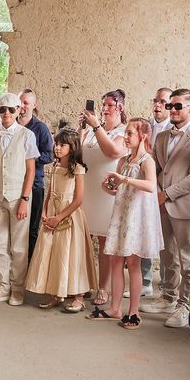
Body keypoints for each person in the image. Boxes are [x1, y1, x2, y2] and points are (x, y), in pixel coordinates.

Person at [87, 118, 163, 329]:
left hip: (136, 218)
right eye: (126, 133)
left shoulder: (146, 161)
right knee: (115, 261)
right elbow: (119, 189)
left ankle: (134, 312)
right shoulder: (124, 161)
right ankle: (115, 307)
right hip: (121, 214)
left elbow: (150, 185)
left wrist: (124, 180)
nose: (126, 137)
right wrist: (109, 188)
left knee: (133, 263)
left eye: (130, 133)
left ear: (143, 136)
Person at [141, 88, 190, 329]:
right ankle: (168, 296)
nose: (172, 110)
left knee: (189, 258)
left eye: (177, 106)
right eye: (171, 106)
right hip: (161, 204)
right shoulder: (161, 137)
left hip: (184, 205)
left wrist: (166, 194)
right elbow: (156, 169)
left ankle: (186, 305)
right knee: (166, 254)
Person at [26, 129, 96, 312]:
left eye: (62, 145)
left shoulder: (78, 169)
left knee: (71, 254)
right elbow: (49, 193)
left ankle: (78, 296)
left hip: (69, 215)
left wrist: (59, 217)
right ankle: (56, 293)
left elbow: (78, 199)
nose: (57, 148)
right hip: (52, 213)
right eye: (56, 144)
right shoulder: (55, 167)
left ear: (72, 148)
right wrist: (44, 212)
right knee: (54, 254)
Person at [0, 93, 40, 306]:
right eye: (2, 109)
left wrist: (24, 198)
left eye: (11, 109)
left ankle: (17, 288)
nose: (6, 113)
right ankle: (2, 287)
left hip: (19, 197)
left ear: (18, 110)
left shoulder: (26, 135)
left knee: (19, 246)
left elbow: (31, 170)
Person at [79, 89, 127, 306]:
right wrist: (83, 129)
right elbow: (80, 154)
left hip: (106, 195)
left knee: (104, 241)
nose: (105, 109)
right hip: (87, 191)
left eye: (109, 105)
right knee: (82, 240)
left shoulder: (123, 132)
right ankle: (81, 284)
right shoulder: (90, 131)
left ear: (120, 108)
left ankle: (103, 288)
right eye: (103, 105)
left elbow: (113, 152)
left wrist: (96, 126)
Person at [129, 87, 172, 299]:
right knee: (142, 235)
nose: (158, 105)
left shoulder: (174, 130)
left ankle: (166, 286)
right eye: (155, 100)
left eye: (163, 102)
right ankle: (145, 282)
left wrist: (164, 192)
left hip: (164, 191)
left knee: (166, 242)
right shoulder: (145, 126)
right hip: (144, 189)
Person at [18, 89, 54, 261]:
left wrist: (29, 160)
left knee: (32, 228)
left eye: (26, 103)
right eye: (20, 102)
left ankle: (30, 265)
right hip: (14, 183)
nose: (22, 106)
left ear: (34, 105)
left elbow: (50, 155)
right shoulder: (11, 126)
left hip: (35, 185)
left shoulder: (40, 128)